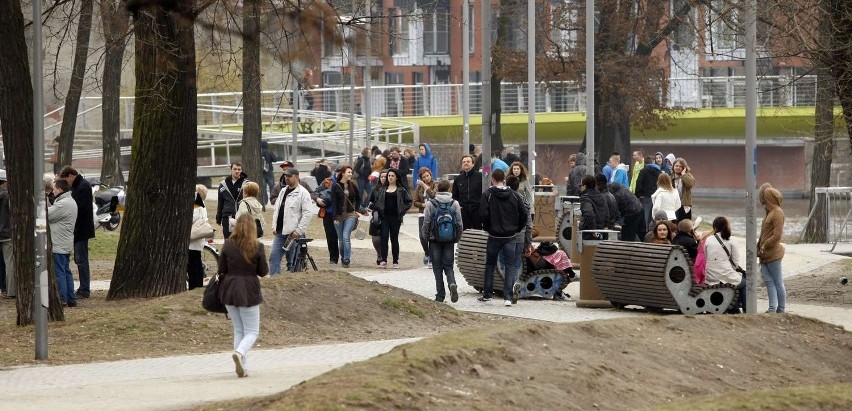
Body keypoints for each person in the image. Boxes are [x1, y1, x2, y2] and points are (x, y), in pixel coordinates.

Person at [217, 214, 269, 378]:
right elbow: (263, 271)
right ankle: (239, 353)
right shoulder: (257, 246)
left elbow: (221, 269)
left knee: (239, 330)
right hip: (248, 289)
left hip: (229, 289)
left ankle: (242, 366)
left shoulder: (228, 245)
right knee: (252, 331)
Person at [477, 169, 530, 306]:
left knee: (490, 264)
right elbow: (524, 214)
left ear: (493, 180)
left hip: (494, 235)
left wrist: (488, 228)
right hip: (511, 235)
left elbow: (483, 214)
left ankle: (487, 294)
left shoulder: (487, 194)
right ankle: (508, 297)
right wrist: (517, 228)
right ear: (504, 179)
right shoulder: (515, 195)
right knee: (510, 265)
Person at [421, 179, 463, 303]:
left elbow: (426, 222)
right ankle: (452, 283)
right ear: (449, 190)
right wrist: (457, 238)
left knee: (437, 267)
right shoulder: (454, 203)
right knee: (448, 266)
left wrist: (425, 236)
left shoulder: (431, 203)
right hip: (449, 240)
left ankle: (440, 295)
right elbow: (459, 223)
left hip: (434, 240)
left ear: (437, 189)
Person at [59, 166, 95, 299]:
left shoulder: (82, 187)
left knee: (81, 260)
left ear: (70, 175)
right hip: (78, 229)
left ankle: (85, 289)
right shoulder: (79, 186)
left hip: (81, 229)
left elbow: (80, 207)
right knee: (79, 259)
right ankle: (83, 288)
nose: (66, 183)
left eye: (66, 180)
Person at [269, 168, 314, 274]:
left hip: (293, 234)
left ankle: (293, 282)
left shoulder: (303, 193)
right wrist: (274, 226)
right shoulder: (283, 191)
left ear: (297, 177)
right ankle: (275, 280)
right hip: (280, 232)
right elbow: (277, 210)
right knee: (274, 256)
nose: (286, 178)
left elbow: (307, 214)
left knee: (293, 262)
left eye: (289, 176)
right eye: (285, 176)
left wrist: (298, 231)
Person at [373, 168, 412, 268]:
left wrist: (403, 210)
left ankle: (395, 261)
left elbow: (409, 201)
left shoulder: (401, 190)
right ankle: (383, 260)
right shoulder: (383, 189)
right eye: (389, 176)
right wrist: (378, 208)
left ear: (396, 177)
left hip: (395, 218)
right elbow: (376, 201)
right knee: (384, 237)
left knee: (394, 239)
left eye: (392, 176)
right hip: (384, 217)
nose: (390, 177)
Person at [48, 179, 78, 307]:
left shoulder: (62, 204)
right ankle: (71, 298)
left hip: (59, 243)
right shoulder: (69, 201)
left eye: (54, 189)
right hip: (65, 242)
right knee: (66, 271)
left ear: (59, 190)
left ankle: (62, 298)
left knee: (59, 271)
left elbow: (46, 215)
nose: (52, 191)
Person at [758, 183, 786, 314]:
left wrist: (765, 244)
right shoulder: (769, 213)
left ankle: (780, 309)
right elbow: (764, 232)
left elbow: (777, 235)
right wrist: (759, 246)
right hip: (764, 254)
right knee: (769, 282)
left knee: (777, 282)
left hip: (773, 253)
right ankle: (771, 309)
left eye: (765, 197)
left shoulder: (778, 213)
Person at [332, 166, 363, 268]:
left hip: (350, 215)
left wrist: (357, 210)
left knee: (346, 237)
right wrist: (334, 217)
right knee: (341, 240)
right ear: (343, 173)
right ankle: (343, 256)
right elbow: (334, 203)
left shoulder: (353, 185)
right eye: (348, 172)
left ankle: (346, 259)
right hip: (339, 216)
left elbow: (359, 198)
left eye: (351, 172)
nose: (350, 174)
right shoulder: (336, 186)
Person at [702, 216, 743, 289]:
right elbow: (735, 262)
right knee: (745, 283)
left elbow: (706, 257)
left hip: (710, 276)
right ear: (727, 227)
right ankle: (743, 301)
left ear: (714, 227)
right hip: (726, 275)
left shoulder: (708, 239)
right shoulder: (732, 239)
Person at [413, 167, 438, 267]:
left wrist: (424, 185)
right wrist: (423, 205)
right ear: (421, 178)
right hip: (422, 213)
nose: (426, 178)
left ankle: (432, 257)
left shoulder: (435, 184)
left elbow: (433, 195)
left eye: (428, 176)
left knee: (431, 236)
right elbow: (414, 202)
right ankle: (427, 253)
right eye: (424, 177)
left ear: (431, 175)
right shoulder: (418, 188)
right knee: (422, 236)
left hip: (433, 213)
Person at [312, 172, 340, 264]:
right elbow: (315, 193)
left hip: (341, 214)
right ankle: (333, 258)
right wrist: (318, 199)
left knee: (343, 237)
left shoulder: (346, 183)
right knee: (330, 236)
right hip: (328, 213)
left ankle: (345, 258)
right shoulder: (327, 182)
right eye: (339, 172)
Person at [216, 162, 248, 239]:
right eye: (235, 169)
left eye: (239, 169)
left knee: (241, 241)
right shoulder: (223, 184)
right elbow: (220, 202)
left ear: (241, 170)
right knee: (228, 241)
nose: (237, 171)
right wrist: (218, 218)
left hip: (241, 216)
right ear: (231, 170)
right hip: (227, 216)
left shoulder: (246, 184)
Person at [451, 155, 483, 230]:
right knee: (464, 234)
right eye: (464, 162)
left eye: (468, 161)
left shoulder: (480, 177)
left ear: (473, 164)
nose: (466, 163)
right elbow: (454, 196)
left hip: (477, 211)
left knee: (478, 233)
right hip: (463, 211)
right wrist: (458, 206)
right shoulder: (458, 179)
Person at [188, 184, 209, 290]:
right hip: (198, 238)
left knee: (192, 263)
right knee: (197, 261)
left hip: (193, 238)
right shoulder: (202, 204)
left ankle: (194, 285)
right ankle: (198, 284)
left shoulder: (197, 205)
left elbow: (191, 218)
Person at [578, 175, 610, 240]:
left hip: (589, 232)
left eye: (580, 185)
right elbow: (607, 213)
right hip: (601, 230)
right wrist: (606, 226)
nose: (580, 187)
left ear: (584, 186)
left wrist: (593, 231)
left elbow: (589, 214)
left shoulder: (585, 198)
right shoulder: (601, 196)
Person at [367, 170, 389, 266]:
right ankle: (379, 254)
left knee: (384, 238)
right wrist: (372, 206)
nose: (383, 178)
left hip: (387, 216)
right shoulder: (375, 189)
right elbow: (370, 202)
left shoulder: (392, 188)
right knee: (375, 239)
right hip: (376, 216)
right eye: (382, 177)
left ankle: (383, 257)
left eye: (385, 176)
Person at [635, 155, 662, 226]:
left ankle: (645, 230)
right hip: (656, 195)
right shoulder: (659, 171)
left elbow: (638, 183)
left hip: (646, 195)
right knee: (654, 213)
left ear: (645, 163)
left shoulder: (643, 171)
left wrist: (638, 195)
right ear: (653, 162)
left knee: (645, 214)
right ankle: (653, 228)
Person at [0, 170, 13, 299]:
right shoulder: (7, 196)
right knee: (9, 263)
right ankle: (11, 290)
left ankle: (3, 288)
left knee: (1, 264)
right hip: (7, 233)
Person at [671, 157, 695, 221]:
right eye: (676, 166)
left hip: (684, 205)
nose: (678, 168)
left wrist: (683, 175)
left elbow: (690, 184)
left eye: (680, 166)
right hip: (673, 205)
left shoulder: (687, 176)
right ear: (673, 166)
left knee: (684, 225)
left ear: (684, 168)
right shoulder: (670, 177)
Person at [260, 141, 277, 206]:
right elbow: (275, 159)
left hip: (261, 172)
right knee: (272, 186)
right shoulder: (269, 152)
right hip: (269, 171)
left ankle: (265, 201)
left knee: (263, 187)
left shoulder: (259, 153)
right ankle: (272, 200)